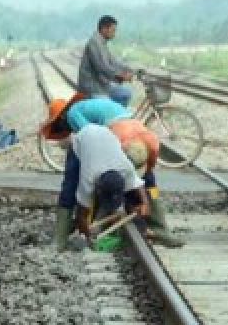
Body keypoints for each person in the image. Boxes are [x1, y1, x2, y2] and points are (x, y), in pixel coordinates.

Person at [42, 96, 133, 249]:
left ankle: (61, 238)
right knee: (112, 176)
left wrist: (81, 215)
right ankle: (155, 227)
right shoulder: (84, 108)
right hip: (128, 127)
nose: (64, 130)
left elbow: (90, 137)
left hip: (115, 129)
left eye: (59, 126)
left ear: (61, 118)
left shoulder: (72, 115)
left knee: (72, 179)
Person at [69, 123, 150, 243]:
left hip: (106, 134)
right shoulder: (88, 177)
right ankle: (65, 227)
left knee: (109, 203)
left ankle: (105, 215)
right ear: (98, 188)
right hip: (81, 140)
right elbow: (81, 213)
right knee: (70, 187)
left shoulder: (125, 167)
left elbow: (137, 184)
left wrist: (145, 203)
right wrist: (86, 234)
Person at [109, 118, 183, 247]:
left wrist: (147, 200)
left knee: (152, 189)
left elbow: (148, 170)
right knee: (120, 186)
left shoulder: (152, 143)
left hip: (138, 147)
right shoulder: (115, 145)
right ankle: (131, 214)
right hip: (120, 142)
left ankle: (161, 228)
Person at [79, 15, 134, 107]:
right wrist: (120, 75)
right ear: (104, 29)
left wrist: (130, 69)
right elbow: (102, 67)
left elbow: (113, 62)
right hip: (92, 88)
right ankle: (112, 118)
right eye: (113, 30)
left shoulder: (102, 43)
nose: (114, 34)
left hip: (102, 85)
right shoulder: (94, 43)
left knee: (125, 94)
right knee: (108, 105)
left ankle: (117, 116)